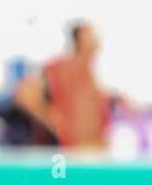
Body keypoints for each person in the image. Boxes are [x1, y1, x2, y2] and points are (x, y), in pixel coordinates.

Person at [12, 22, 114, 150]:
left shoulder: (90, 73)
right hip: (71, 155)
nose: (98, 41)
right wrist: (53, 123)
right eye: (92, 36)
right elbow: (24, 93)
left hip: (94, 153)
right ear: (81, 40)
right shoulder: (62, 68)